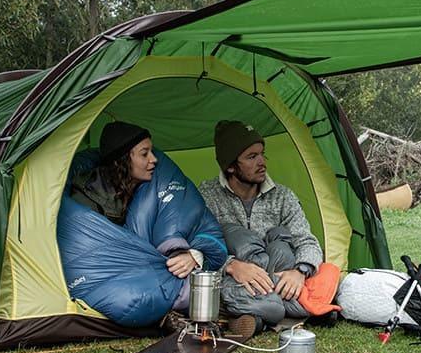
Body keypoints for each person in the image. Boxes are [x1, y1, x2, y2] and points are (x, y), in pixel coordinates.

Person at [198, 120, 340, 336]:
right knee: (211, 285)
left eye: (262, 154)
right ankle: (292, 313)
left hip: (278, 274)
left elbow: (307, 241)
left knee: (325, 272)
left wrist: (299, 272)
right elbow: (196, 245)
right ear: (230, 166)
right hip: (234, 279)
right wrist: (231, 266)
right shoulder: (208, 196)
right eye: (252, 157)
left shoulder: (282, 196)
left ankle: (253, 316)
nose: (262, 162)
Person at [71, 121, 199, 279]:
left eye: (152, 152)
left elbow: (192, 222)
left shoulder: (149, 190)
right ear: (122, 160)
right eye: (145, 154)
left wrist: (193, 255)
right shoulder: (85, 199)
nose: (154, 159)